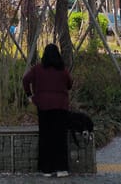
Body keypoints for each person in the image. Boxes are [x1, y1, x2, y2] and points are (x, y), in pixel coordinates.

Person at [23, 43, 72, 177]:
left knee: (46, 136)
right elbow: (69, 84)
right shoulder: (63, 70)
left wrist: (30, 95)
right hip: (61, 106)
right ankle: (61, 168)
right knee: (60, 137)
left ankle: (47, 169)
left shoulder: (37, 69)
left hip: (43, 106)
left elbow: (25, 80)